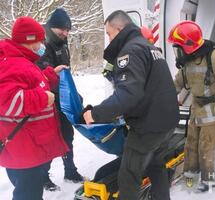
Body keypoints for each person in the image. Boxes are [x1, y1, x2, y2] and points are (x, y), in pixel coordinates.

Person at [83, 10, 179, 200]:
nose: (109, 39)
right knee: (156, 166)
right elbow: (149, 88)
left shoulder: (130, 51)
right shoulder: (149, 47)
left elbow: (128, 95)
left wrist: (94, 114)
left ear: (119, 29)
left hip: (148, 127)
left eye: (109, 33)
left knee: (128, 176)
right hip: (166, 122)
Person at [0, 16, 68, 200]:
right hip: (23, 151)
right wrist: (43, 98)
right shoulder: (15, 64)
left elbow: (29, 83)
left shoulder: (21, 61)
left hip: (25, 148)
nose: (42, 44)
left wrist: (50, 75)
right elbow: (7, 102)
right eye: (40, 40)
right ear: (30, 41)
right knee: (28, 195)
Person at [168, 20, 215, 192]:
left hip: (214, 111)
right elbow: (177, 84)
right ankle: (190, 177)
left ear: (189, 44)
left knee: (206, 147)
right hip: (197, 110)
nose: (177, 50)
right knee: (191, 144)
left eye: (178, 45)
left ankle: (208, 182)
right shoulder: (188, 60)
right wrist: (165, 98)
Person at [36, 8, 84, 191]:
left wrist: (73, 95)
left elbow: (66, 75)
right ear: (51, 27)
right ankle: (42, 177)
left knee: (67, 136)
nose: (65, 33)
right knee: (49, 139)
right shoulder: (42, 45)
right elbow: (42, 75)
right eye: (61, 29)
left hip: (63, 99)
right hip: (47, 101)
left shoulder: (63, 45)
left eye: (67, 30)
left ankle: (70, 171)